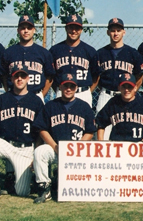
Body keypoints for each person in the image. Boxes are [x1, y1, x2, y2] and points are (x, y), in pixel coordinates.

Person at [0, 64, 44, 201]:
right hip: (6, 145)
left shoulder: (36, 101)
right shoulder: (2, 99)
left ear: (28, 79)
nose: (19, 79)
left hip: (26, 148)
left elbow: (40, 132)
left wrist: (35, 153)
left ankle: (22, 181)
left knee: (22, 192)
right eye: (16, 76)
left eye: (22, 76)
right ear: (12, 79)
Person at [32, 71, 96, 204]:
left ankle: (61, 181)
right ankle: (45, 188)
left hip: (77, 152)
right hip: (55, 148)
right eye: (65, 86)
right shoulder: (50, 106)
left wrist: (77, 147)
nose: (68, 89)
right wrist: (54, 146)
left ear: (76, 88)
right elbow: (42, 129)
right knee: (39, 152)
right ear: (59, 87)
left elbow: (90, 131)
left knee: (72, 191)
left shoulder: (84, 107)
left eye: (71, 86)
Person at [96, 17, 143, 138]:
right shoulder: (101, 53)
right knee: (102, 133)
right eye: (113, 30)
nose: (116, 33)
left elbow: (140, 75)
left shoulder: (132, 53)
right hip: (106, 95)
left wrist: (133, 91)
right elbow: (96, 76)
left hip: (126, 95)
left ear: (124, 32)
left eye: (118, 30)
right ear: (108, 32)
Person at [49, 14, 100, 107]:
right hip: (62, 92)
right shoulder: (55, 50)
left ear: (81, 30)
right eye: (71, 27)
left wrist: (88, 91)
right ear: (66, 28)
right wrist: (59, 89)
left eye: (77, 28)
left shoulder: (90, 51)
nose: (73, 31)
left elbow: (96, 77)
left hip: (83, 93)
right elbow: (51, 76)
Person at [95, 73, 143, 142]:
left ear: (135, 88)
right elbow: (100, 124)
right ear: (119, 87)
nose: (126, 90)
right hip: (118, 145)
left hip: (140, 145)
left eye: (130, 87)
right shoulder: (113, 103)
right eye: (124, 86)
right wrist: (101, 142)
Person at [3, 14, 55, 103]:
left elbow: (50, 77)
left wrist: (42, 95)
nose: (26, 31)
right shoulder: (9, 52)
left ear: (34, 30)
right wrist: (8, 91)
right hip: (14, 95)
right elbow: (3, 75)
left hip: (36, 94)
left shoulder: (43, 53)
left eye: (29, 28)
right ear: (18, 30)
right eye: (23, 28)